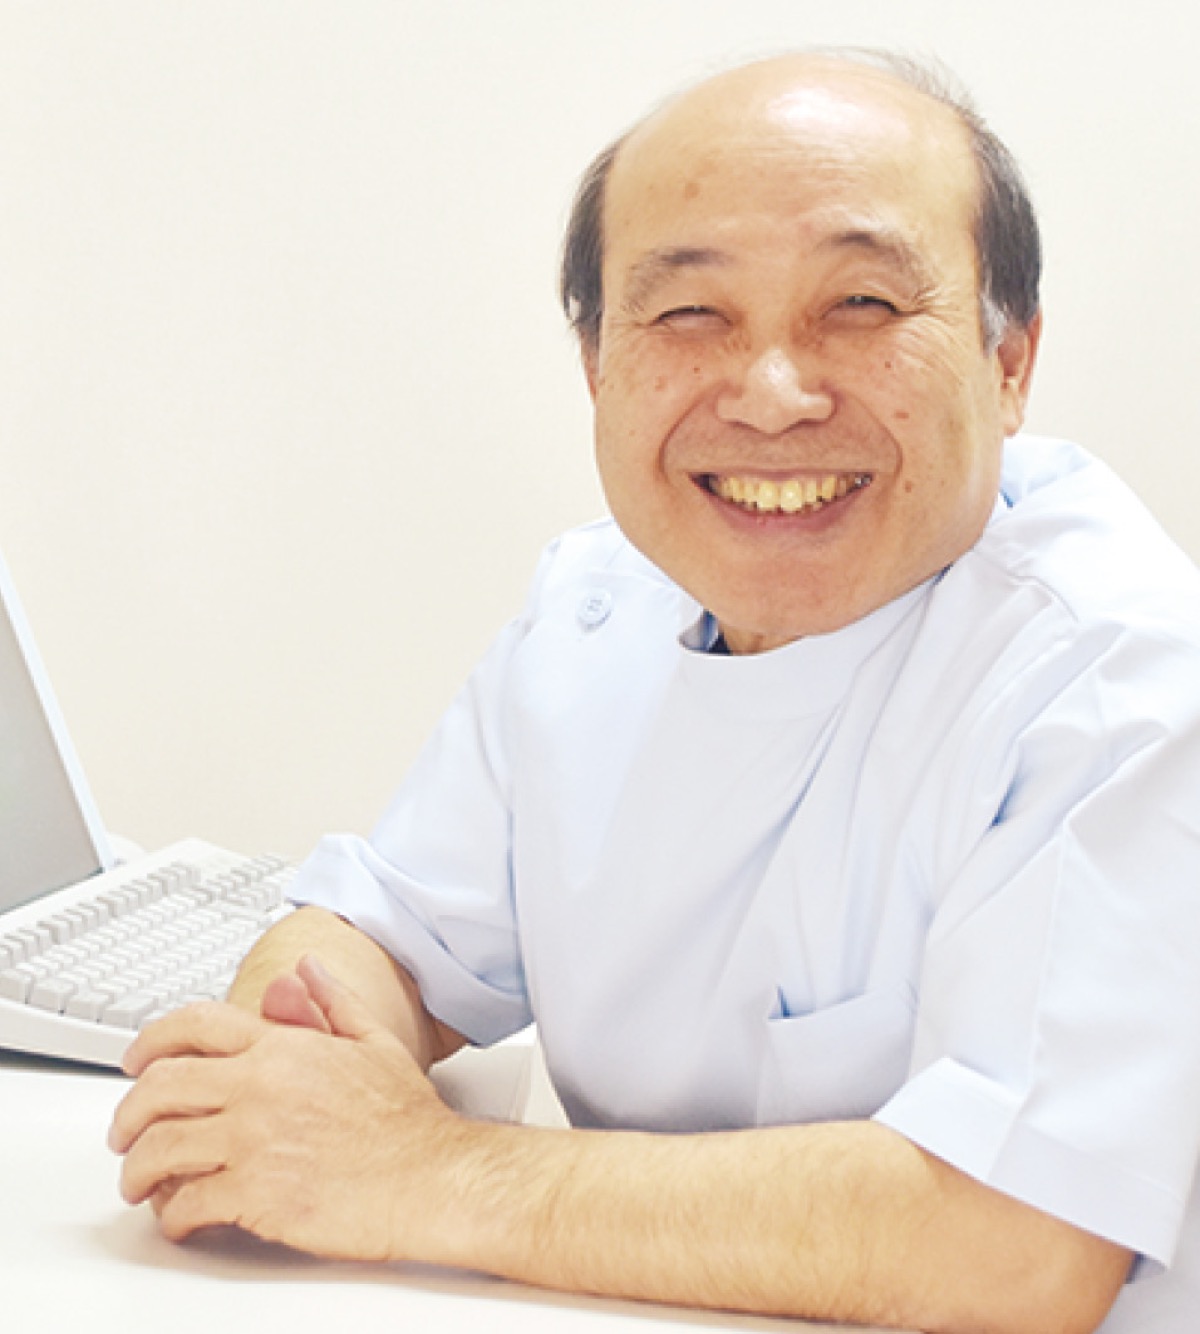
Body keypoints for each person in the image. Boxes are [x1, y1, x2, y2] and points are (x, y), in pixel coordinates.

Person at [108, 48, 1200, 1334]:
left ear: (1009, 360)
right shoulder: (597, 605)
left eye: (859, 302)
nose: (774, 393)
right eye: (689, 313)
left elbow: (1014, 1250)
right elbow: (381, 934)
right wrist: (286, 1065)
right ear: (597, 365)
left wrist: (416, 1169)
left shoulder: (1117, 669)